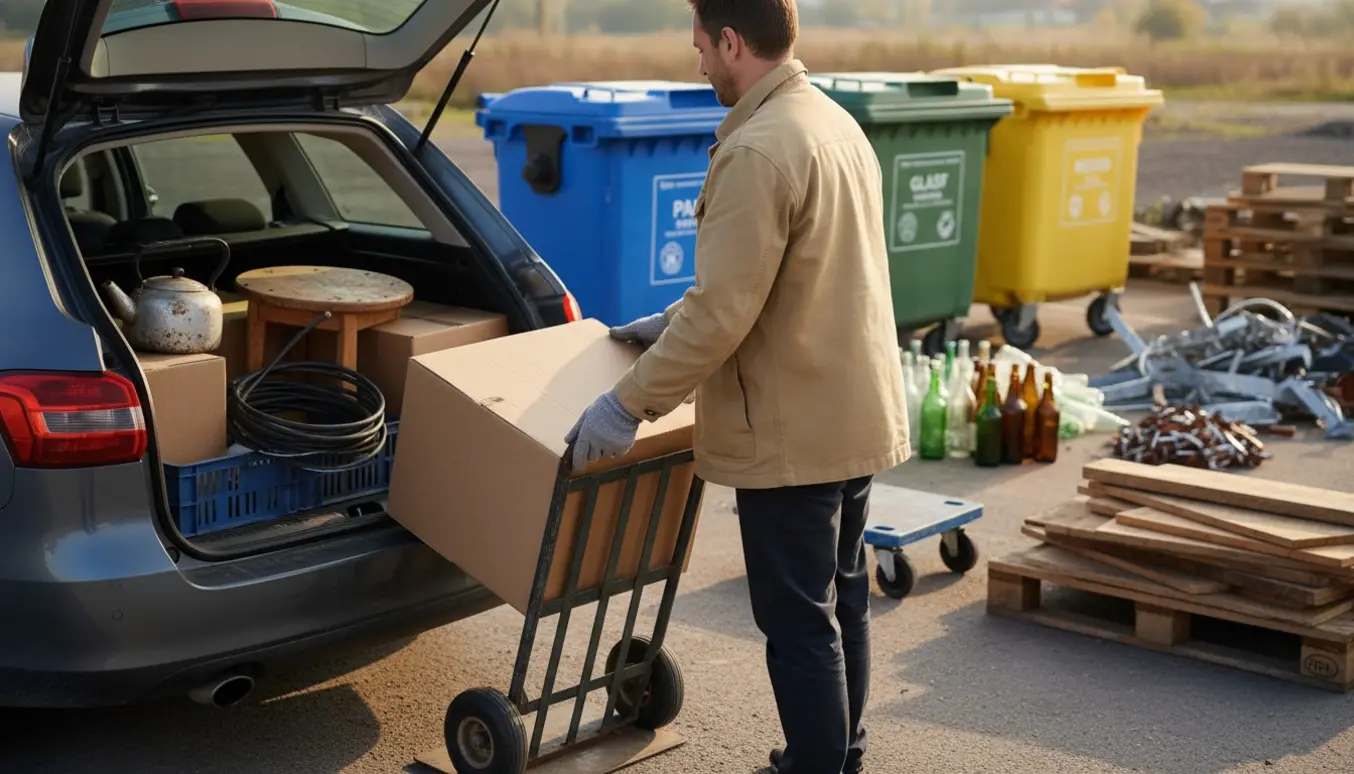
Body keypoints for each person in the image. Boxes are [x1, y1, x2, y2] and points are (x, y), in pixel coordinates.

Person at [564, 0, 909, 771]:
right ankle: (842, 754)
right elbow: (782, 276)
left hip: (792, 427)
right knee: (840, 599)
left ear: (731, 40)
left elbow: (724, 315)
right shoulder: (829, 121)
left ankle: (816, 766)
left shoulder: (758, 149)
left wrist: (626, 405)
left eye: (701, 49)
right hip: (850, 410)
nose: (698, 65)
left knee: (796, 622)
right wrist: (670, 316)